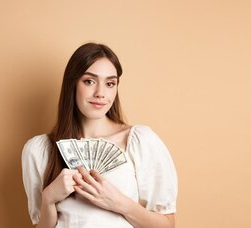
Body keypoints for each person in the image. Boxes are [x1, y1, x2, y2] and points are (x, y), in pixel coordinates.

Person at [21, 43, 178, 228]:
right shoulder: (39, 150)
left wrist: (119, 203)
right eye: (89, 81)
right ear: (72, 84)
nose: (100, 93)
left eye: (110, 83)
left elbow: (167, 225)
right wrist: (48, 198)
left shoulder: (140, 140)